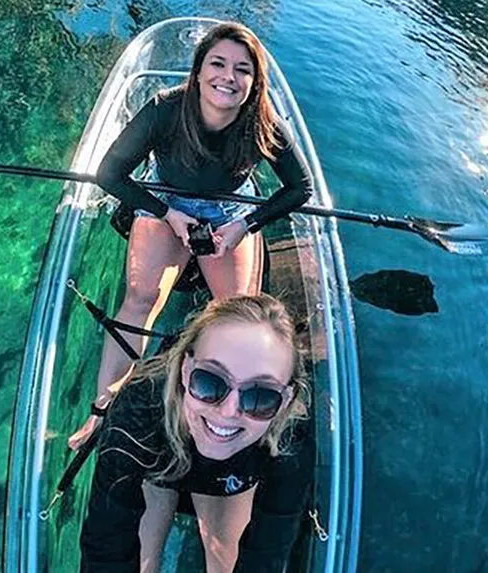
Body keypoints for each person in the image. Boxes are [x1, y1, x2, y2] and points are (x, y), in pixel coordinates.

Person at [68, 21, 315, 450]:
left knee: (236, 315)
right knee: (141, 299)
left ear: (255, 82)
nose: (228, 77)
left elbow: (301, 187)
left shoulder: (262, 122)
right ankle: (103, 409)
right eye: (217, 64)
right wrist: (169, 213)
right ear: (198, 71)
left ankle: (217, 409)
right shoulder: (165, 110)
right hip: (166, 204)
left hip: (230, 212)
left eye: (243, 69)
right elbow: (110, 173)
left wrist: (245, 225)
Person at [79, 294, 315, 573]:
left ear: (286, 400)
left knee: (225, 559)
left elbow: (267, 550)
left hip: (228, 478)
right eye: (209, 381)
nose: (228, 411)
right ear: (185, 369)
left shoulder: (290, 437)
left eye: (260, 397)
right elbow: (107, 544)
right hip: (160, 462)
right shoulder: (140, 411)